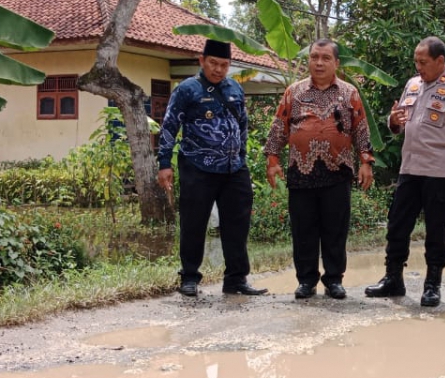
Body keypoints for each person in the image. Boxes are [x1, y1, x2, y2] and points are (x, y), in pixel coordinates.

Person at [365, 37, 445, 307]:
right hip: (410, 168)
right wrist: (393, 122)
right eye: (416, 61)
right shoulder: (412, 84)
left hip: (440, 172)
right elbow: (400, 123)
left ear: (440, 61)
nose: (418, 67)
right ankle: (393, 279)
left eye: (423, 62)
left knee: (436, 230)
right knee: (397, 224)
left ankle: (432, 285)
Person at [264, 39, 376, 300]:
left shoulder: (349, 93)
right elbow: (280, 127)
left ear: (336, 63)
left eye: (326, 58)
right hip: (300, 171)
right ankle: (306, 281)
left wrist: (366, 163)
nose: (319, 62)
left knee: (335, 229)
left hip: (337, 171)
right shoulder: (294, 92)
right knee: (303, 229)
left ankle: (334, 280)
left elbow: (361, 129)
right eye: (314, 57)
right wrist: (272, 160)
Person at [157, 39, 268, 298]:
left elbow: (243, 125)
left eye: (224, 65)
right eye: (213, 63)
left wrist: (241, 156)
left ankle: (236, 279)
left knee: (237, 224)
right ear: (202, 61)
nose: (218, 70)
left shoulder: (235, 89)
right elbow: (169, 126)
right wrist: (164, 163)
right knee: (194, 223)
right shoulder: (187, 90)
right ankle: (190, 277)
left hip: (234, 169)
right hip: (197, 167)